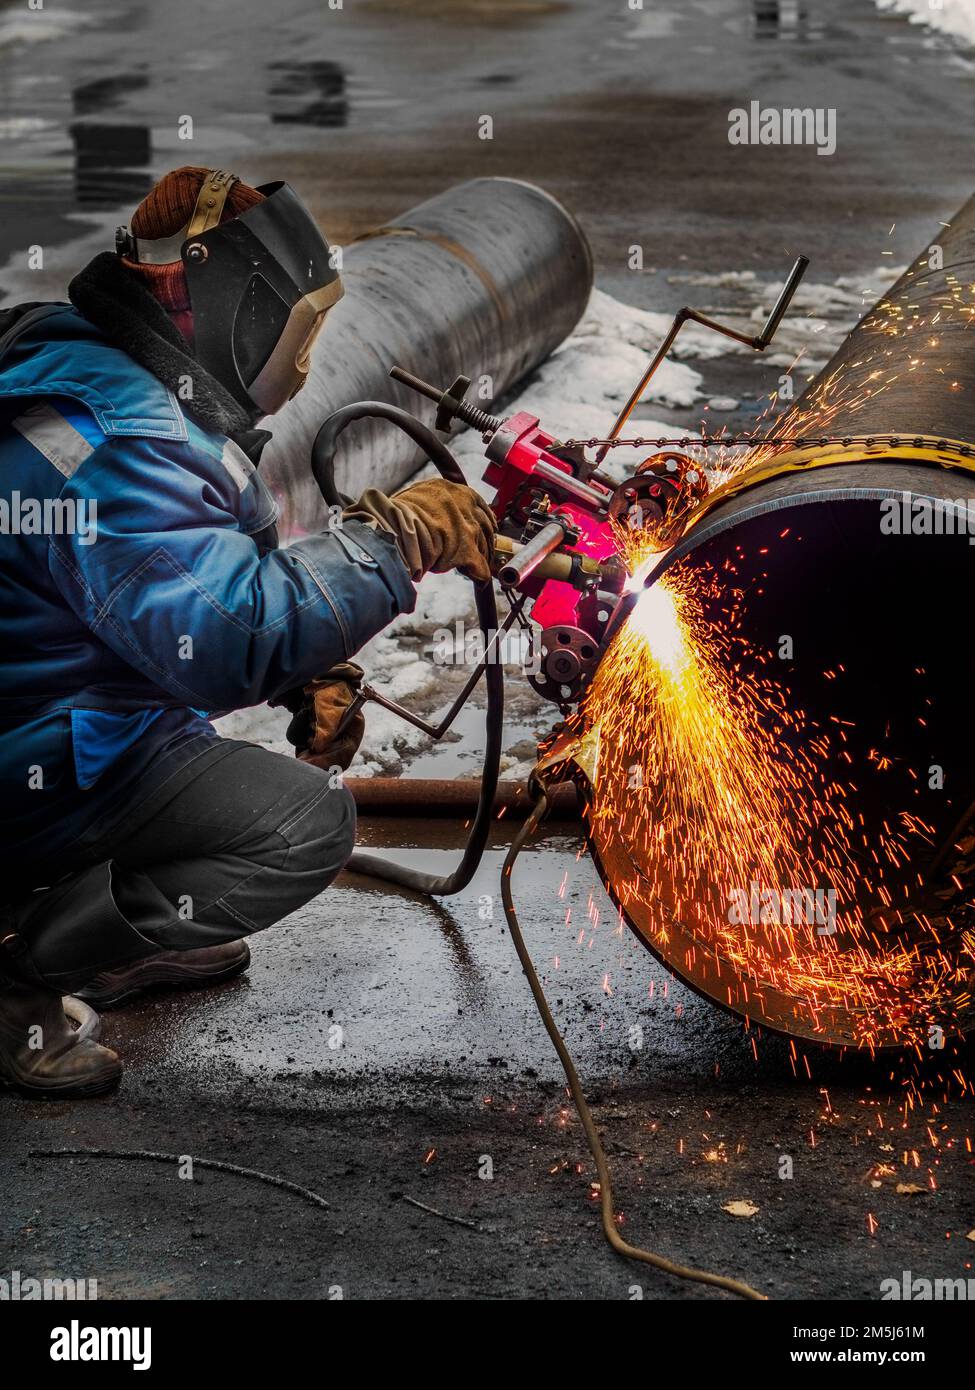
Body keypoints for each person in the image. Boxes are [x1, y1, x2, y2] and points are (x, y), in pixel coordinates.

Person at [0, 167, 497, 1098]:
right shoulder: (115, 444)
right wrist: (395, 540)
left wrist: (296, 674)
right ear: (234, 309)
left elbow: (138, 602)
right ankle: (22, 975)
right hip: (30, 764)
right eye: (297, 330)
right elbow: (222, 639)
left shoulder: (78, 369)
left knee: (191, 763)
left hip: (42, 720)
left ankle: (80, 926)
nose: (300, 360)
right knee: (301, 828)